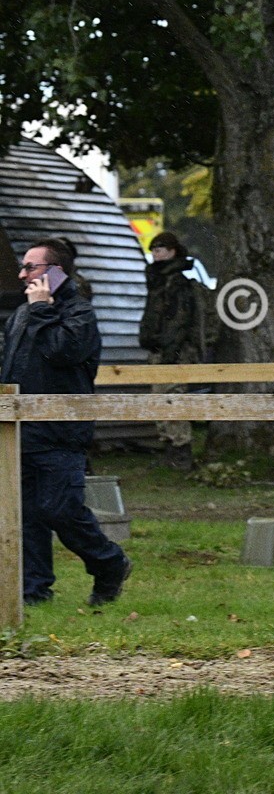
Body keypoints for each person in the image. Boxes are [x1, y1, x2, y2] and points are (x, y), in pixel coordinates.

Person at [1, 237, 133, 607]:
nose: (22, 274)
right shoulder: (22, 314)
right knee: (27, 516)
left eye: (31, 267)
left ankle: (109, 563)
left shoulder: (79, 313)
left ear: (55, 272)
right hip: (22, 430)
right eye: (23, 266)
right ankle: (34, 592)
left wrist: (42, 310)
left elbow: (63, 352)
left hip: (61, 432)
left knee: (61, 509)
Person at [138, 231, 207, 471]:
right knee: (161, 401)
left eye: (160, 249)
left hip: (173, 353)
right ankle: (171, 450)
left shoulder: (176, 281)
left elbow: (179, 321)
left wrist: (170, 351)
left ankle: (180, 452)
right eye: (153, 249)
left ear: (172, 251)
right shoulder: (159, 281)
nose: (156, 253)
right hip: (161, 350)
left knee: (172, 400)